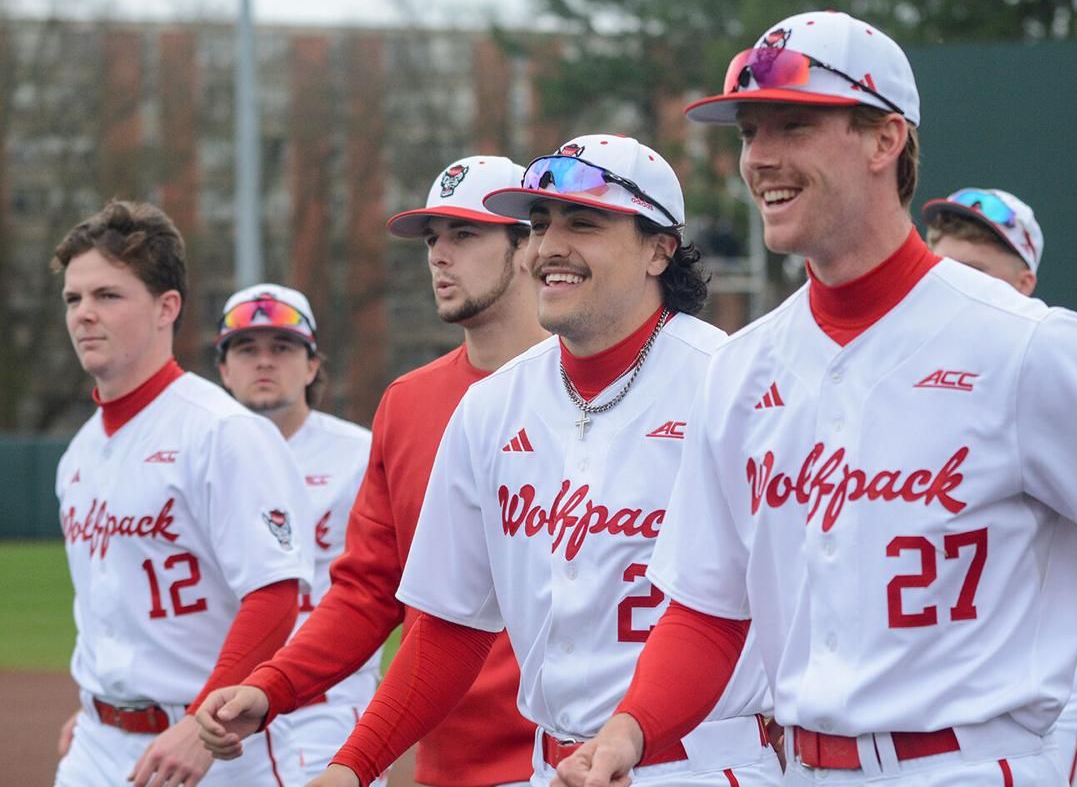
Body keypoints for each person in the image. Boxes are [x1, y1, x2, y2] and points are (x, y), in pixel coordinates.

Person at [554, 11, 1077, 787]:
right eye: (748, 134)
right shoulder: (743, 367)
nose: (760, 159)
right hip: (795, 766)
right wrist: (629, 731)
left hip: (969, 762)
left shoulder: (1028, 347)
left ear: (885, 139)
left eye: (793, 125)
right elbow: (707, 611)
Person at [218, 132, 781, 787]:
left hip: (704, 763)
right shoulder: (491, 408)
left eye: (584, 222)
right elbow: (448, 630)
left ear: (659, 248)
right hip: (551, 766)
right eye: (540, 224)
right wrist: (353, 767)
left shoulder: (731, 385)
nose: (551, 247)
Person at [195, 155, 546, 787]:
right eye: (432, 239)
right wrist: (273, 686)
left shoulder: (593, 391)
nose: (439, 256)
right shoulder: (407, 403)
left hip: (585, 758)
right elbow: (366, 590)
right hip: (447, 761)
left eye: (465, 235)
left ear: (526, 245)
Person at [52, 200, 314, 787]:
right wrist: (102, 700)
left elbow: (274, 596)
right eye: (74, 298)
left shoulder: (224, 432)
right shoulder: (78, 454)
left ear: (167, 307)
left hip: (213, 745)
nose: (84, 315)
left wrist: (200, 724)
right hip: (97, 740)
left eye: (108, 296)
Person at [921, 188, 1077, 786]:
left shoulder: (1053, 368)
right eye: (943, 266)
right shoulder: (902, 379)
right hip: (945, 673)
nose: (956, 284)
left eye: (978, 271)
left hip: (1055, 668)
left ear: (1024, 280)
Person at [214, 282, 383, 785]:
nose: (264, 362)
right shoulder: (199, 459)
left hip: (329, 705)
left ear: (312, 365)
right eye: (246, 349)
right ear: (223, 369)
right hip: (222, 707)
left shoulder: (360, 453)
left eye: (282, 348)